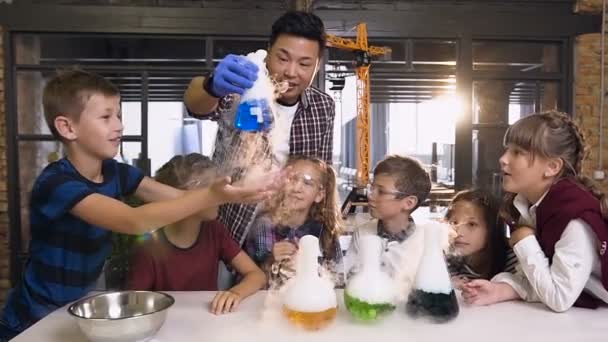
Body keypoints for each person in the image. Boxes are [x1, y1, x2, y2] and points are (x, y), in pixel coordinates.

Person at [0, 70, 275, 339]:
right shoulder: (57, 184)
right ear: (67, 127)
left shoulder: (116, 172)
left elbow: (179, 198)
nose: (119, 125)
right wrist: (212, 195)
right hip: (33, 317)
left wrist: (232, 193)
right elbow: (135, 221)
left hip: (76, 307)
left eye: (118, 115)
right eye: (106, 117)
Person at [183, 11, 336, 246]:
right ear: (268, 52)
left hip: (288, 233)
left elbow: (321, 175)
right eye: (283, 58)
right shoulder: (244, 91)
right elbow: (195, 104)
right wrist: (212, 85)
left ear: (318, 65)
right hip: (232, 228)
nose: (291, 72)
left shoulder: (322, 107)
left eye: (305, 63)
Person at [462, 111, 608, 312]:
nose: (503, 159)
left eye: (518, 152)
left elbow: (559, 298)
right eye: (507, 150)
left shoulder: (575, 220)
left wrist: (524, 241)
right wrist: (499, 290)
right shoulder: (531, 206)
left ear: (552, 167)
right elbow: (537, 277)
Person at [128, 154, 266, 315]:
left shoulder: (214, 231)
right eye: (212, 192)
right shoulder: (150, 245)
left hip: (208, 321)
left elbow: (257, 275)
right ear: (186, 197)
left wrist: (235, 293)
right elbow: (134, 303)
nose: (221, 199)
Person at [245, 155, 342, 288]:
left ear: (319, 195)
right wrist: (271, 259)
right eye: (292, 179)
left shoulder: (325, 231)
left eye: (307, 183)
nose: (296, 188)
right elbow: (251, 279)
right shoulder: (264, 225)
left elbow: (338, 280)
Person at [344, 155, 432, 297]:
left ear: (408, 203)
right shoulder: (363, 233)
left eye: (381, 191)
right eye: (371, 188)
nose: (370, 196)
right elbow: (350, 278)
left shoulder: (425, 243)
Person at [444, 189, 517, 289]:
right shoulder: (446, 258)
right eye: (454, 223)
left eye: (471, 224)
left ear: (492, 228)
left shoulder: (513, 260)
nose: (458, 233)